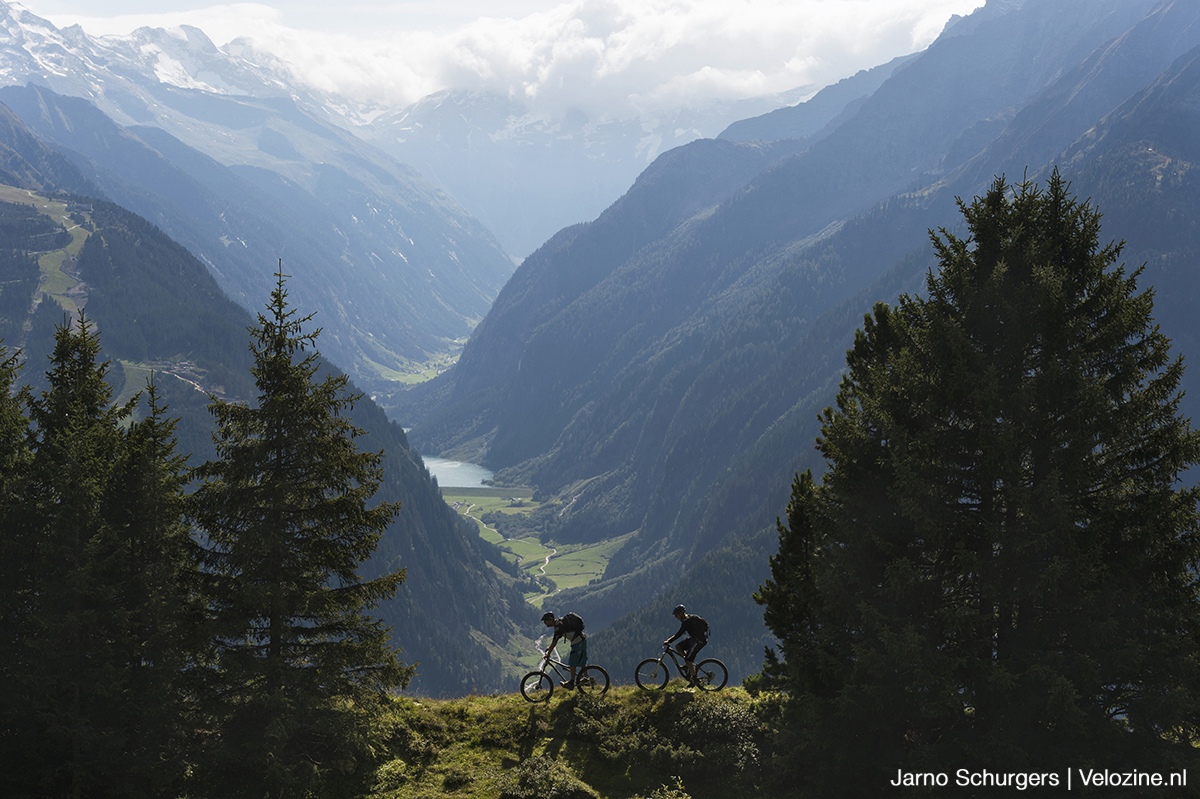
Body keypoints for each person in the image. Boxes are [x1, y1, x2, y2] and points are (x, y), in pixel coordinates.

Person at [664, 604, 708, 685]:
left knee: (688, 660)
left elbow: (679, 633)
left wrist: (669, 641)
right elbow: (681, 633)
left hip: (699, 641)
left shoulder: (686, 621)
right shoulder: (687, 620)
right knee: (678, 647)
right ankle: (688, 665)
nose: (675, 617)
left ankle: (694, 679)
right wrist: (670, 640)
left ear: (681, 614)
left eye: (676, 615)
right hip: (694, 639)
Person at [542, 610, 587, 688]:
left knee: (572, 663)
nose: (544, 623)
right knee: (582, 661)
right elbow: (554, 640)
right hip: (582, 639)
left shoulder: (558, 626)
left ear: (549, 620)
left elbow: (555, 641)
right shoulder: (559, 623)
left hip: (577, 641)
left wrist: (549, 653)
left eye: (545, 621)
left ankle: (571, 683)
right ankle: (586, 678)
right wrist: (550, 648)